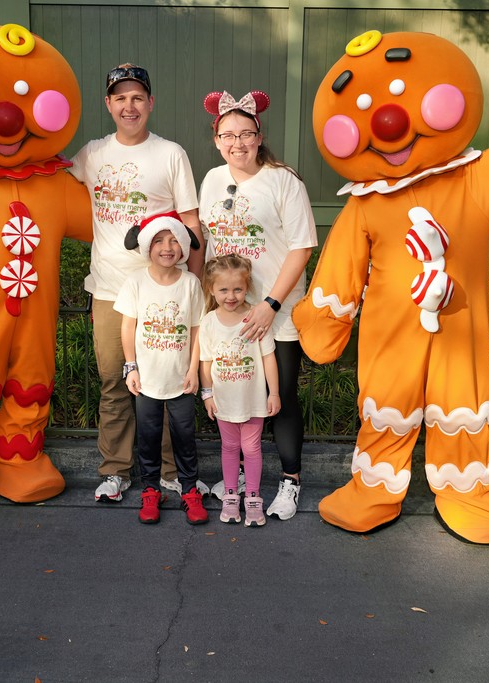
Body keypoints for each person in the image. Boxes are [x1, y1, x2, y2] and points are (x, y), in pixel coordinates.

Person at [71, 63, 207, 502]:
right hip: (111, 290)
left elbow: (191, 223)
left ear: (150, 103)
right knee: (115, 382)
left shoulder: (171, 154)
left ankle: (170, 471)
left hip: (164, 287)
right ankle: (116, 470)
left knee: (168, 385)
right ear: (108, 104)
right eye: (120, 98)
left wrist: (196, 285)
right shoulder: (91, 154)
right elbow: (49, 183)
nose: (129, 106)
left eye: (137, 98)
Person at [199, 89, 318, 520]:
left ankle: (290, 480)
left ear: (259, 135)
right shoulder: (212, 179)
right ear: (216, 140)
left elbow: (301, 248)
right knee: (235, 395)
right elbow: (209, 246)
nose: (238, 143)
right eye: (228, 135)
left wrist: (269, 303)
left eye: (246, 134)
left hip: (275, 312)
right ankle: (241, 480)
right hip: (229, 315)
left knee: (278, 395)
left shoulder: (284, 179)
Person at [114, 212, 208, 525]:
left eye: (173, 241)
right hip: (147, 379)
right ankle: (151, 490)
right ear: (147, 247)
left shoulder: (191, 284)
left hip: (180, 379)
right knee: (149, 436)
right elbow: (129, 327)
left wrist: (193, 370)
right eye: (158, 240)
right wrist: (132, 367)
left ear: (183, 247)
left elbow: (197, 330)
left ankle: (190, 490)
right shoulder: (136, 283)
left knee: (184, 435)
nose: (166, 247)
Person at [199, 254, 280, 527]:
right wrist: (207, 394)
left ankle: (254, 498)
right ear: (211, 289)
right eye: (223, 289)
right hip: (223, 401)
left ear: (247, 287)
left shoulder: (255, 317)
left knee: (252, 447)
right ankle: (231, 496)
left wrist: (274, 393)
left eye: (238, 289)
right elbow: (206, 362)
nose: (231, 296)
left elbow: (268, 357)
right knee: (230, 446)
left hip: (253, 399)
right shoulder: (209, 322)